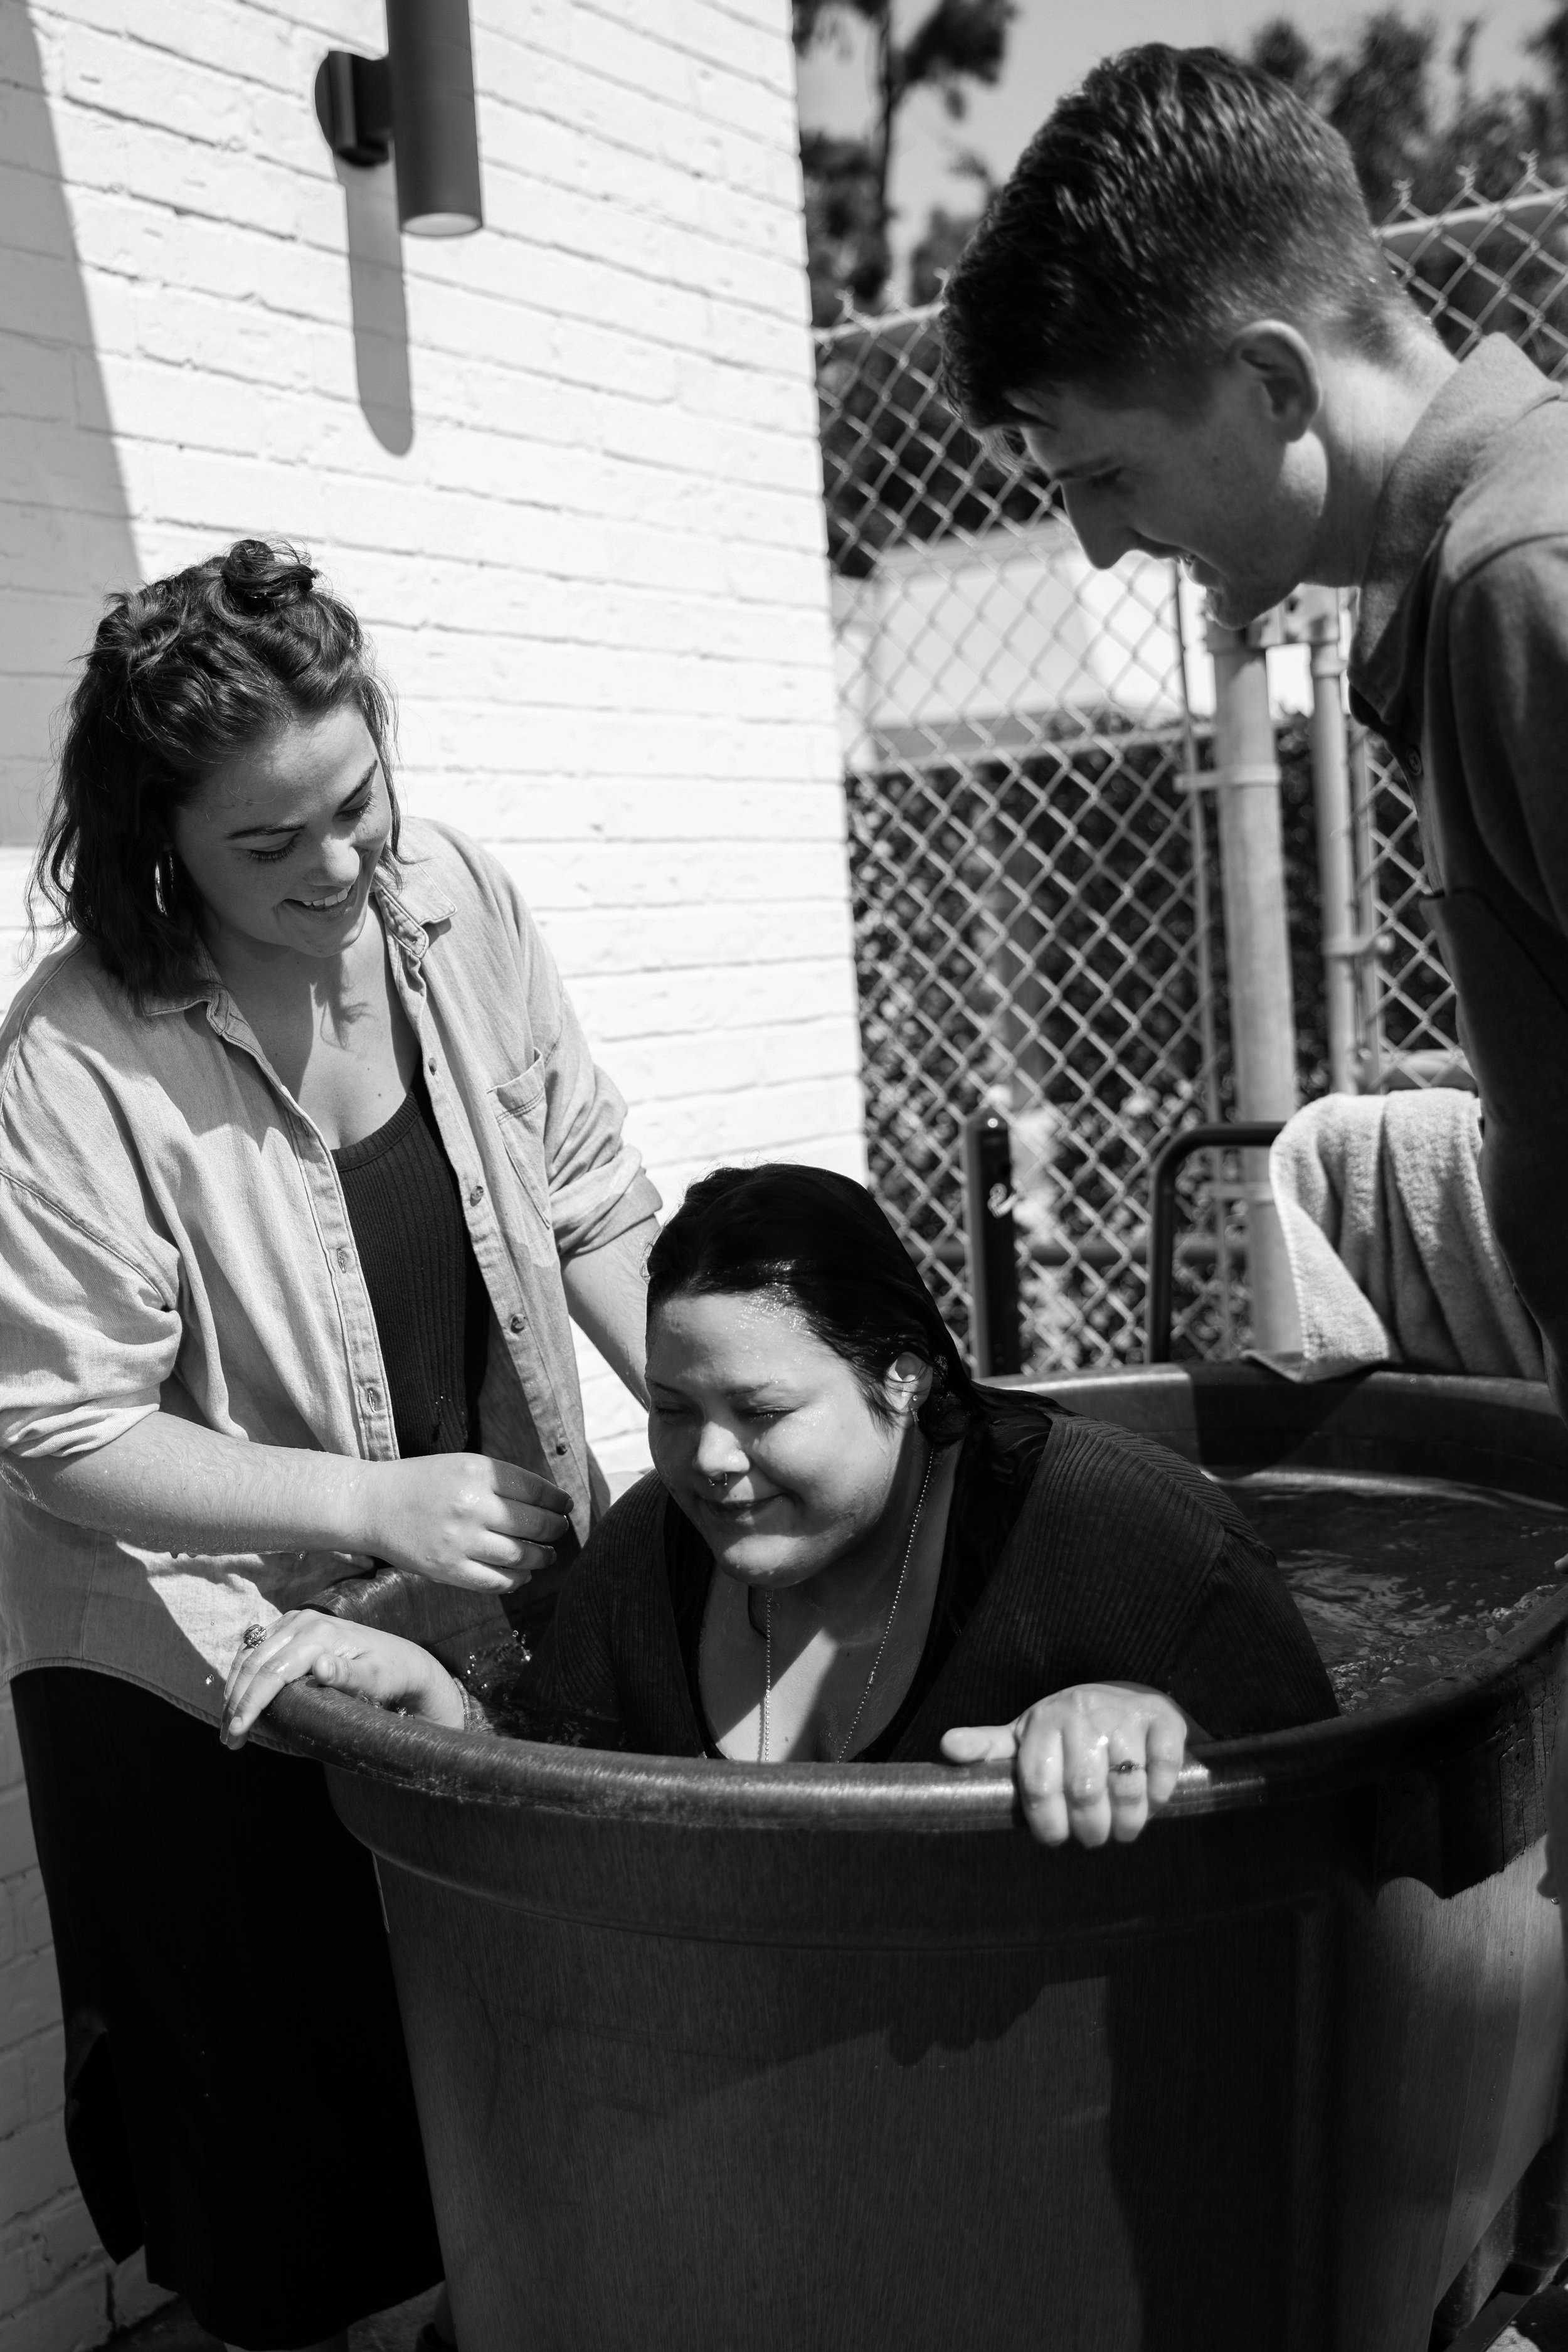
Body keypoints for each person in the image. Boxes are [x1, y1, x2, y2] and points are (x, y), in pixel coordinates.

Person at [0, 541, 659, 2352]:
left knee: (504, 2107)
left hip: (464, 1588)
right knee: (298, 2206)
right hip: (198, 1660)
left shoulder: (452, 896)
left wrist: (719, 1390)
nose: (343, 868)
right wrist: (368, 1503)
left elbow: (590, 1190)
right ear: (159, 848)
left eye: (356, 804)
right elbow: (63, 1432)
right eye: (266, 847)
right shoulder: (77, 1055)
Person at [937, 41, 1568, 1415]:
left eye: (1105, 474)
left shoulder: (1523, 576)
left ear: (1273, 384)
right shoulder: (1474, 567)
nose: (1098, 545)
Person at [225, 1165, 1336, 1846]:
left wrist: (1157, 1723)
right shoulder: (645, 1561)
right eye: (673, 1407)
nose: (708, 1459)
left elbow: (1349, 1801)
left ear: (901, 1379)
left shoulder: (1119, 1534)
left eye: (760, 1409)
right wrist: (429, 1696)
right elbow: (553, 1807)